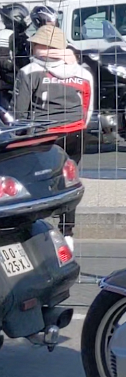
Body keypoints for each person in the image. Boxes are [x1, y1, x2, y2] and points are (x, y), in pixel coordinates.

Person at [11, 24, 93, 250]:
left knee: (34, 182)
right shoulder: (83, 73)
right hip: (76, 133)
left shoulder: (29, 72)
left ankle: (35, 233)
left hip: (44, 137)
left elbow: (19, 114)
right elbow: (88, 109)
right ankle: (68, 233)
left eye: (35, 44)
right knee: (69, 180)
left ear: (40, 47)